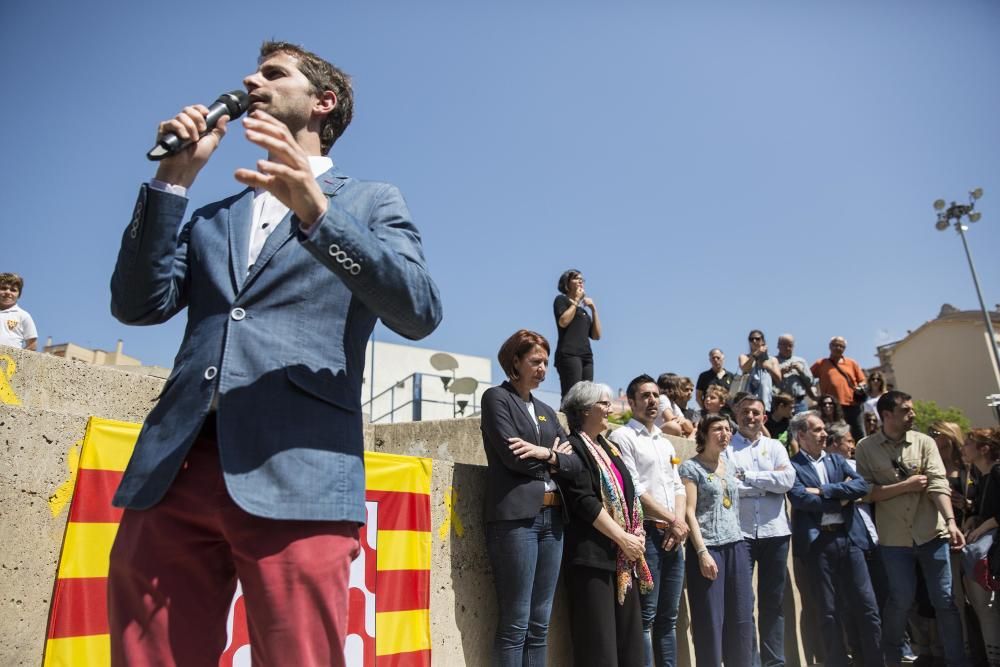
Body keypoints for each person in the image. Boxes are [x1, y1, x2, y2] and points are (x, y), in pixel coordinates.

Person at [107, 41, 442, 666]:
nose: (248, 79)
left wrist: (317, 213)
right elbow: (137, 305)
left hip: (301, 469)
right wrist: (173, 180)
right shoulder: (211, 216)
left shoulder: (370, 201)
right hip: (175, 469)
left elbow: (418, 309)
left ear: (323, 102)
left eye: (271, 73)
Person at [480, 330, 581, 665]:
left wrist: (546, 455)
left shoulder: (547, 411)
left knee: (540, 624)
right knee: (515, 623)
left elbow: (575, 463)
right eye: (535, 361)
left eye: (546, 363)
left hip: (553, 521)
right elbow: (512, 457)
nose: (542, 369)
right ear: (515, 361)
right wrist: (553, 459)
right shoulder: (496, 399)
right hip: (516, 522)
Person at [855, 391, 969, 667]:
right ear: (887, 416)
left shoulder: (925, 442)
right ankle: (892, 659)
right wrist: (904, 486)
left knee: (945, 601)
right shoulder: (865, 447)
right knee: (901, 600)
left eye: (912, 409)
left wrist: (951, 522)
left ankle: (957, 661)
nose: (912, 414)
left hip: (932, 533)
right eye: (906, 410)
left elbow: (938, 484)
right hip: (895, 541)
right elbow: (865, 492)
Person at [559, 381, 650, 666]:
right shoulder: (573, 447)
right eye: (605, 403)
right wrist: (623, 538)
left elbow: (631, 495)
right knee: (599, 648)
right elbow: (583, 500)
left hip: (624, 559)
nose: (610, 409)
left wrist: (637, 534)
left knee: (630, 645)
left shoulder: (610, 448)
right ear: (585, 409)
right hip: (593, 559)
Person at [787, 411, 881, 667]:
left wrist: (825, 491)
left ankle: (872, 660)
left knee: (867, 606)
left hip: (849, 539)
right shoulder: (792, 466)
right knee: (827, 611)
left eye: (823, 429)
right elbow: (800, 499)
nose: (824, 433)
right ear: (802, 435)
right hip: (818, 546)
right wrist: (841, 499)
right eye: (817, 430)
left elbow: (861, 486)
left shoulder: (837, 462)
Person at [610, 375, 689, 667]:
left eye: (656, 395)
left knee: (669, 618)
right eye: (645, 395)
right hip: (647, 536)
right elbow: (634, 489)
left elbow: (678, 486)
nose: (652, 400)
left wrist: (678, 523)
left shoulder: (665, 442)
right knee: (646, 617)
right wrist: (671, 519)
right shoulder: (623, 437)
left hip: (672, 535)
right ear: (631, 402)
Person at [678, 413, 754, 667]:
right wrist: (701, 552)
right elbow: (689, 512)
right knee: (710, 620)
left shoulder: (730, 465)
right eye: (718, 429)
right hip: (708, 548)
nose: (725, 434)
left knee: (742, 617)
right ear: (704, 434)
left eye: (727, 429)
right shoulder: (690, 467)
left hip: (736, 545)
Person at [726, 395, 795, 667]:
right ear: (737, 416)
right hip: (740, 534)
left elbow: (787, 480)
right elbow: (729, 486)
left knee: (773, 603)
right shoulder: (727, 448)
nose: (750, 417)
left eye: (755, 413)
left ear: (764, 418)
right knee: (744, 602)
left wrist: (748, 478)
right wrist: (768, 484)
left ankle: (774, 663)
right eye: (745, 412)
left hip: (775, 532)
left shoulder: (776, 447)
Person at [961, 428, 1000, 666]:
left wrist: (984, 525)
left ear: (984, 449)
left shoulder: (997, 471)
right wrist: (973, 518)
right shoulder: (981, 476)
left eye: (969, 443)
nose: (963, 447)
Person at [553, 270, 602, 398]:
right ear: (566, 283)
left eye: (581, 279)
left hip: (586, 356)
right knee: (572, 395)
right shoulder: (561, 300)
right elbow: (563, 322)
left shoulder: (582, 311)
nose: (580, 281)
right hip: (569, 354)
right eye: (575, 278)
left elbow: (596, 336)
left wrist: (593, 309)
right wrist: (576, 300)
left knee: (586, 396)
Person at [811, 337, 867, 441]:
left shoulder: (851, 363)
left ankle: (863, 455)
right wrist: (812, 394)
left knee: (858, 433)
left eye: (841, 346)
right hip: (832, 407)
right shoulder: (821, 363)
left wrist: (861, 387)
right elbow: (808, 377)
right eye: (835, 345)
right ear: (830, 347)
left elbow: (862, 380)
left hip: (853, 405)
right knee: (837, 434)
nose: (838, 348)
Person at [737, 330, 782, 412]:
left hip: (766, 398)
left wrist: (767, 366)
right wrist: (754, 356)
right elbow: (745, 369)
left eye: (757, 339)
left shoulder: (772, 360)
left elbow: (779, 379)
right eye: (751, 339)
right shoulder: (744, 357)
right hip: (749, 396)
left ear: (762, 341)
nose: (754, 341)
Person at [775, 334, 815, 413]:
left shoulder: (801, 361)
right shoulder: (773, 361)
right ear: (778, 346)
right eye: (784, 345)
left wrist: (800, 371)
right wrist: (780, 373)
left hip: (799, 402)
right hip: (780, 403)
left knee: (802, 424)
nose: (787, 348)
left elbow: (810, 382)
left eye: (790, 345)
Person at [0, 273, 37, 350]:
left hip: (8, 360)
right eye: (3, 288)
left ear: (19, 295)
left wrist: (18, 360)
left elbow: (32, 344)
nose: (8, 292)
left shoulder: (23, 316)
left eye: (13, 290)